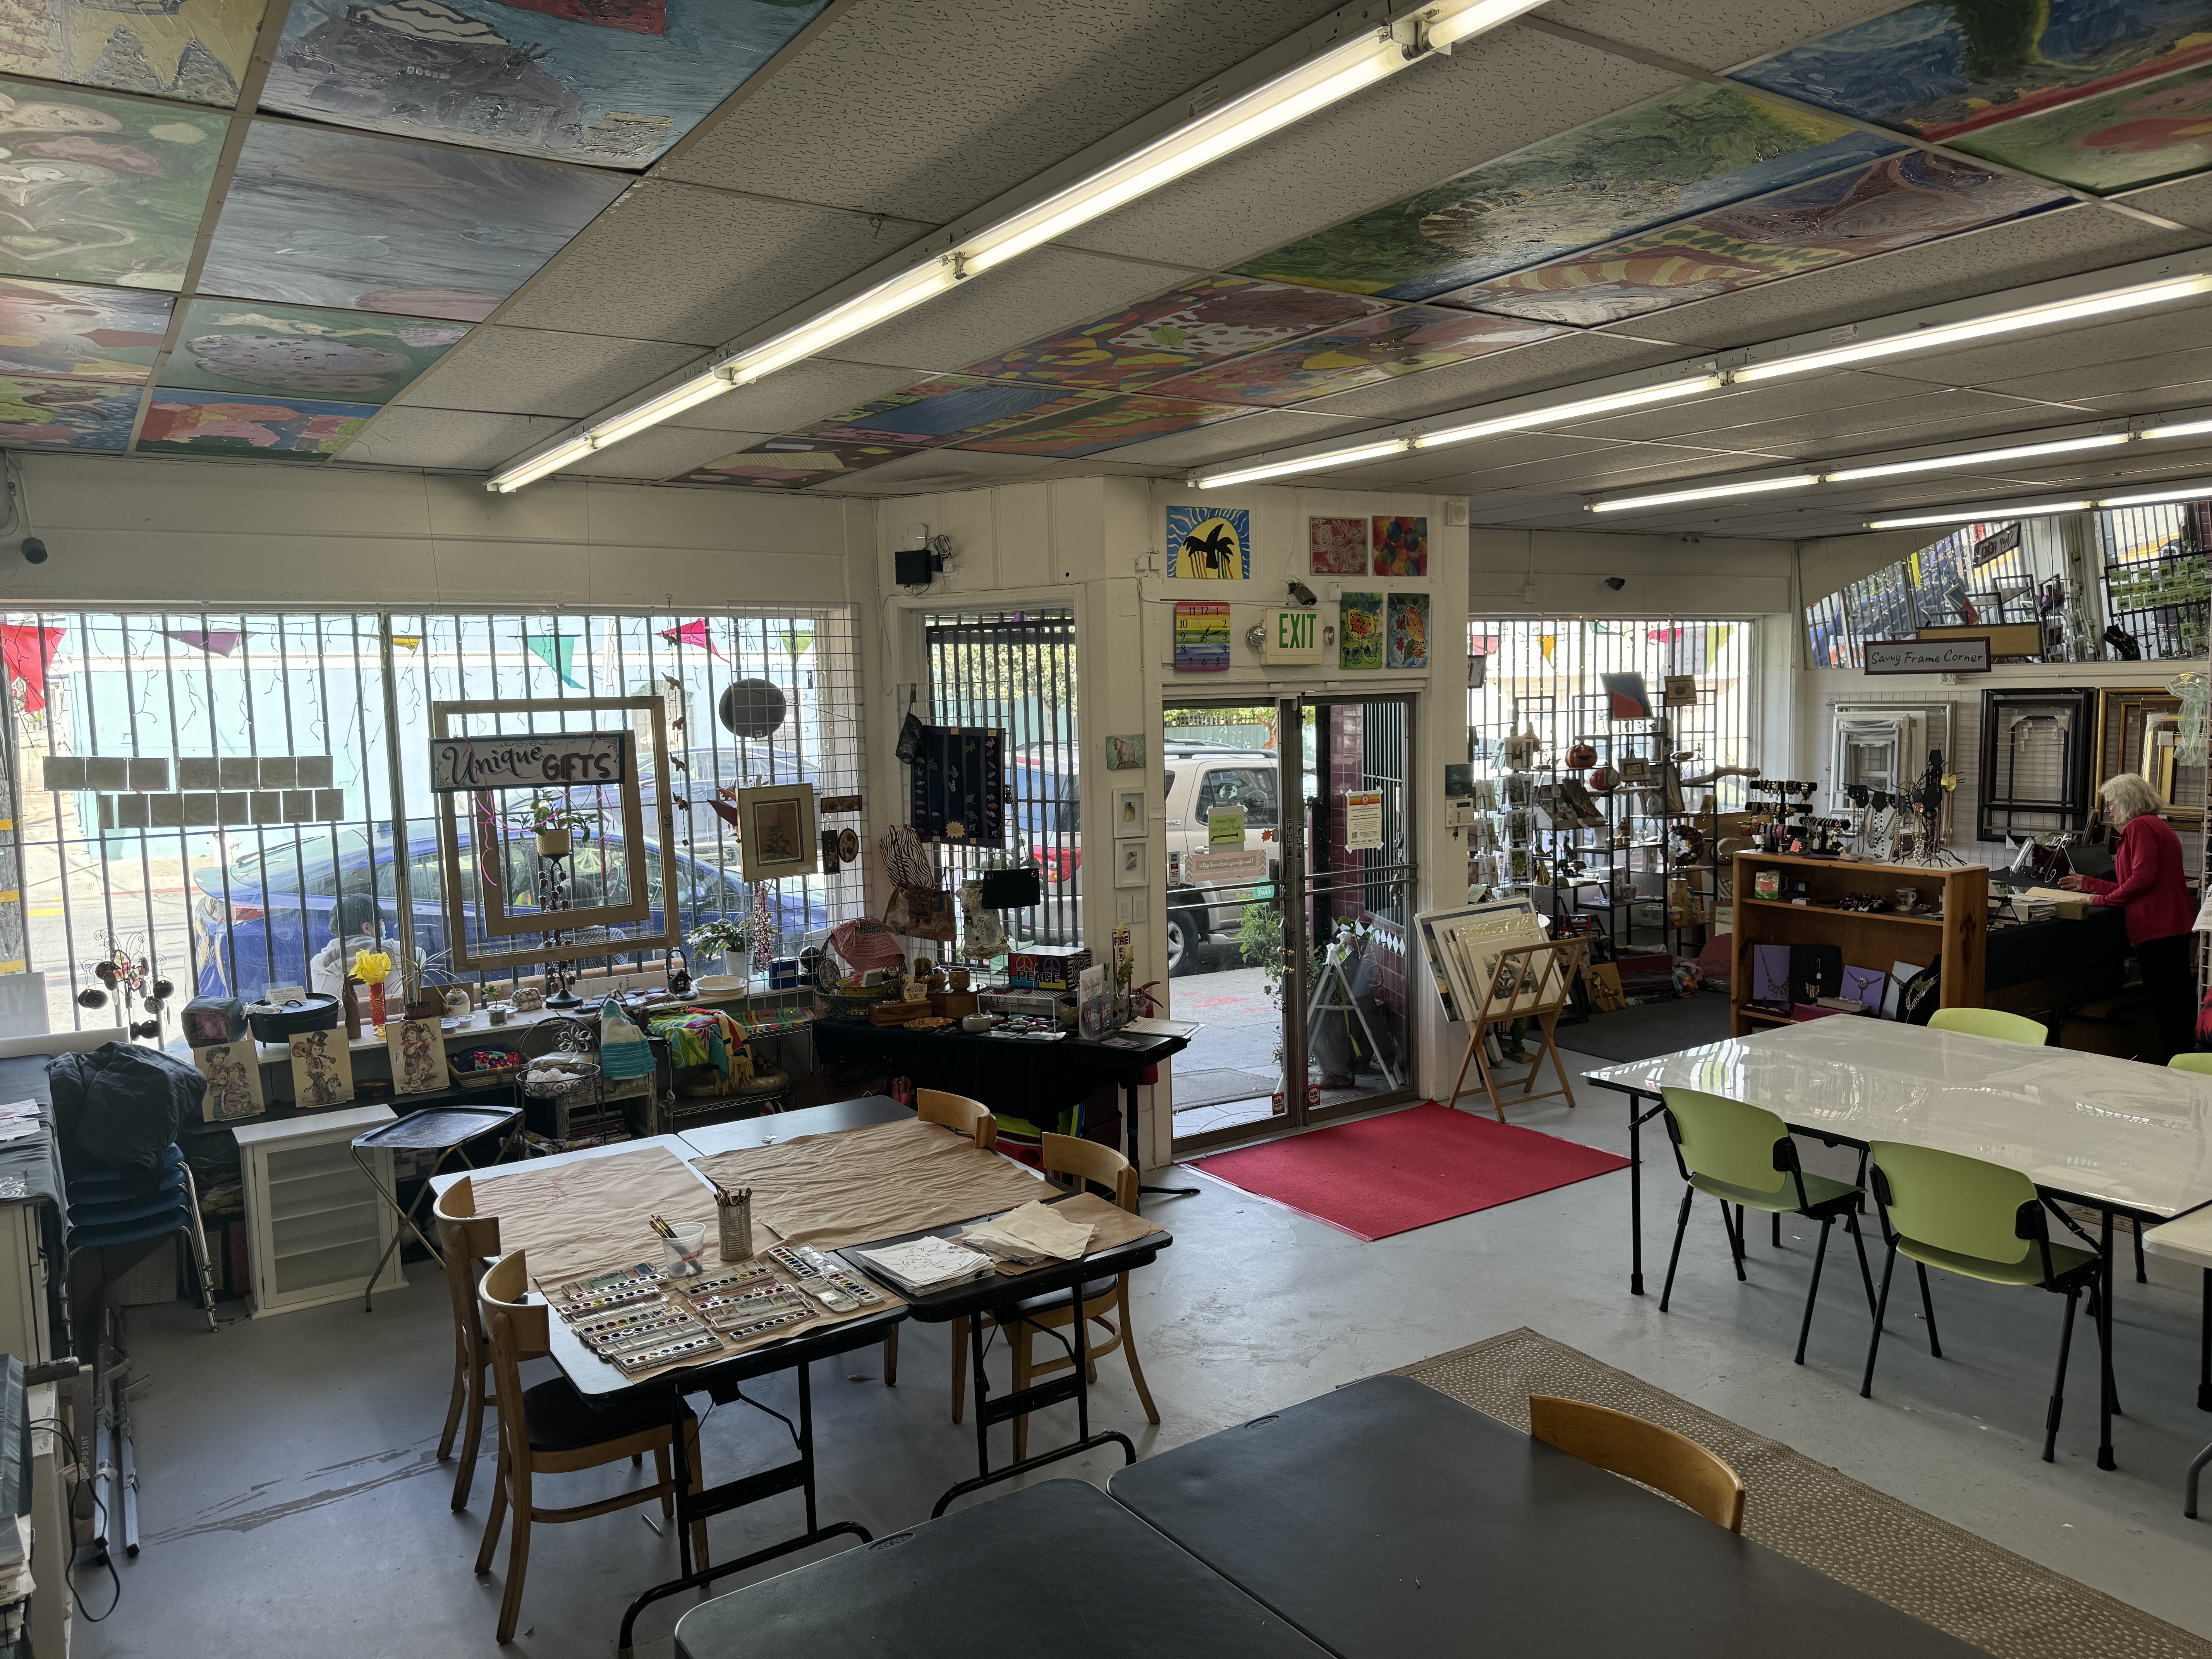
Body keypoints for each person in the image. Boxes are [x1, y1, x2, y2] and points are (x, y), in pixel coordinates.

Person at [2060, 773, 2196, 1058]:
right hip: (2170, 928)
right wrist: (2090, 883)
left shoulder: (2139, 827)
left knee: (2170, 1007)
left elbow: (2143, 879)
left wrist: (2102, 899)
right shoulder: (2154, 825)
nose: (2107, 810)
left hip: (2158, 930)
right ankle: (2183, 1064)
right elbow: (2134, 882)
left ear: (2126, 801)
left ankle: (2178, 1068)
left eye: (2110, 803)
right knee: (2175, 1005)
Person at [308, 895, 406, 1006]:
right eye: (381, 923)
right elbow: (420, 956)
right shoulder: (393, 950)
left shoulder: (317, 965)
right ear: (367, 928)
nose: (384, 927)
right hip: (389, 1023)